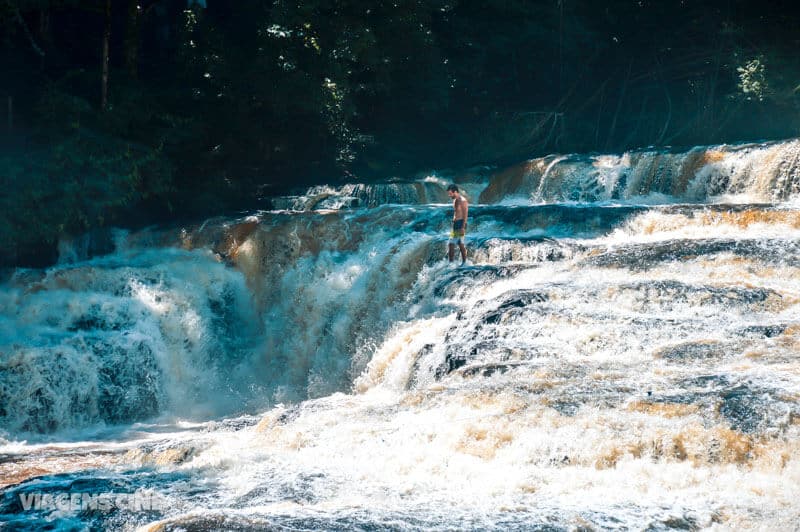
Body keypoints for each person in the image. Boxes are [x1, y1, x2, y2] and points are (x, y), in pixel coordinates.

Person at [447, 184, 468, 265]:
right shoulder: (455, 200)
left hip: (460, 224)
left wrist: (463, 227)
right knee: (451, 244)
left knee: (460, 244)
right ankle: (451, 263)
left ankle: (464, 263)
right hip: (455, 225)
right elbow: (456, 213)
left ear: (455, 192)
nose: (449, 195)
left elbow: (465, 214)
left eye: (450, 193)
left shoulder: (462, 200)